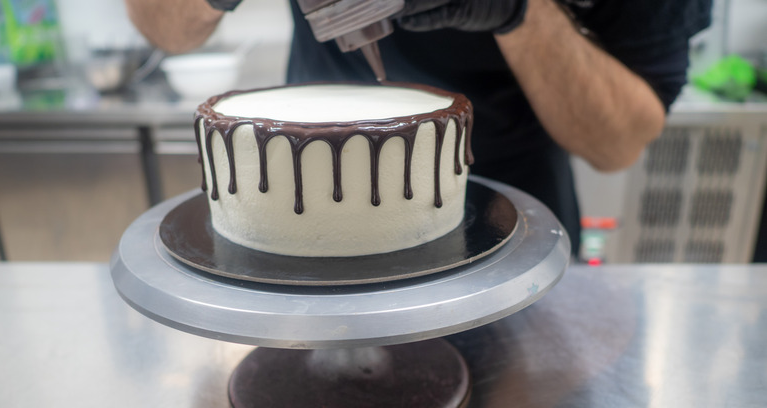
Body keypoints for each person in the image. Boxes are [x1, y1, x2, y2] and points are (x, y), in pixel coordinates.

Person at [125, 0, 712, 256]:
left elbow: (620, 143)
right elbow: (163, 25)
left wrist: (520, 12)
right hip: (293, 218)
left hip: (515, 224)